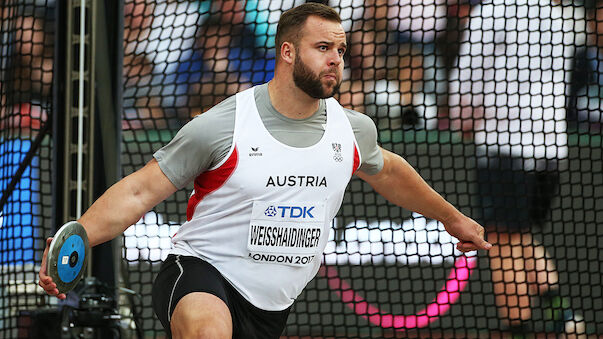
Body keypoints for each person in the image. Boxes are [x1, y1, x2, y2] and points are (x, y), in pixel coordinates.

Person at [39, 3, 491, 338]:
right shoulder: (224, 124)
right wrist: (76, 235)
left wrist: (450, 217)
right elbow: (139, 191)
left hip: (271, 306)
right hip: (202, 273)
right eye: (322, 48)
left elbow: (390, 171)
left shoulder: (353, 130)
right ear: (288, 52)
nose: (336, 58)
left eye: (340, 48)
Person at [448, 0, 587, 334]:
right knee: (521, 236)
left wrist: (462, 119)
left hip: (505, 149)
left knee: (501, 244)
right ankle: (564, 317)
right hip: (551, 150)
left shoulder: (493, 11)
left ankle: (519, 331)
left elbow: (467, 86)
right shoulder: (560, 15)